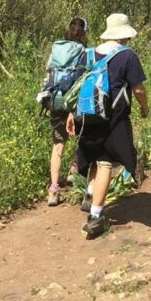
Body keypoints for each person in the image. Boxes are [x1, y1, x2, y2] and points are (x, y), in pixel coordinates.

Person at [66, 12, 149, 239]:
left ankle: (90, 194)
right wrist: (144, 107)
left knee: (93, 155)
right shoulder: (128, 56)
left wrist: (72, 114)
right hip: (112, 117)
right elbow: (138, 89)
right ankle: (96, 216)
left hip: (86, 115)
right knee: (105, 163)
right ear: (125, 35)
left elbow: (77, 87)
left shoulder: (89, 54)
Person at [42, 16, 89, 207]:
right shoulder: (84, 52)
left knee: (58, 144)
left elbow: (47, 72)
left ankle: (53, 190)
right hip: (74, 101)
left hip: (55, 100)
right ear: (84, 33)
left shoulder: (56, 48)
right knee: (82, 137)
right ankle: (74, 170)